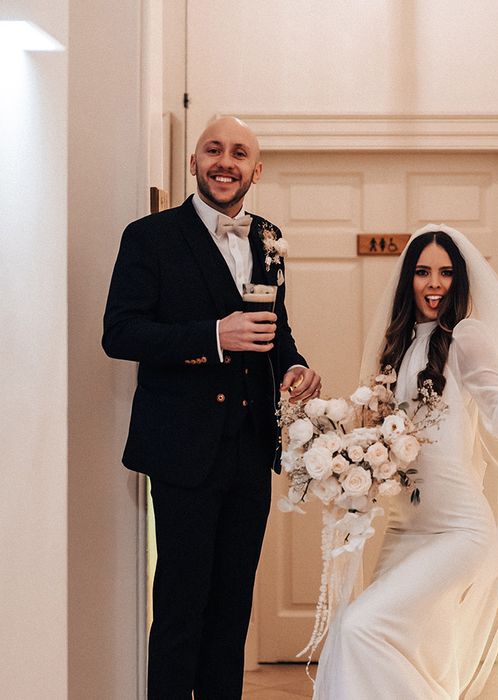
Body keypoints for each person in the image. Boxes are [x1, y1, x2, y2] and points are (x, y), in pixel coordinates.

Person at [313, 225, 498, 699]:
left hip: (458, 531)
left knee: (359, 628)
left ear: (459, 281)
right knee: (414, 652)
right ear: (409, 279)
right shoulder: (399, 344)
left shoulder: (467, 337)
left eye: (445, 273)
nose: (434, 283)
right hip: (404, 528)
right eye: (423, 272)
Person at [102, 117, 321, 699]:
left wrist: (294, 366)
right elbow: (120, 334)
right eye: (214, 150)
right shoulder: (149, 237)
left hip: (250, 452)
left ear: (256, 169)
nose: (226, 162)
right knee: (180, 610)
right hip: (182, 453)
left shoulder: (269, 238)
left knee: (232, 612)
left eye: (239, 153)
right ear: (193, 161)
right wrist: (212, 336)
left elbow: (274, 333)